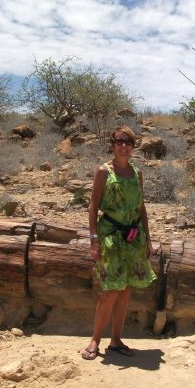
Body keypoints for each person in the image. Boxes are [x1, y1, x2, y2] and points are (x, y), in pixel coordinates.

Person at [81, 125, 157, 360]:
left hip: (134, 238)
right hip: (111, 237)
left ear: (134, 146)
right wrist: (94, 239)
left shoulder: (137, 173)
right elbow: (93, 207)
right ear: (112, 145)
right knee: (110, 291)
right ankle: (95, 339)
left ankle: (116, 340)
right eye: (119, 141)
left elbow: (141, 207)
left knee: (125, 290)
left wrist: (148, 239)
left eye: (128, 142)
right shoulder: (104, 171)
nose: (123, 146)